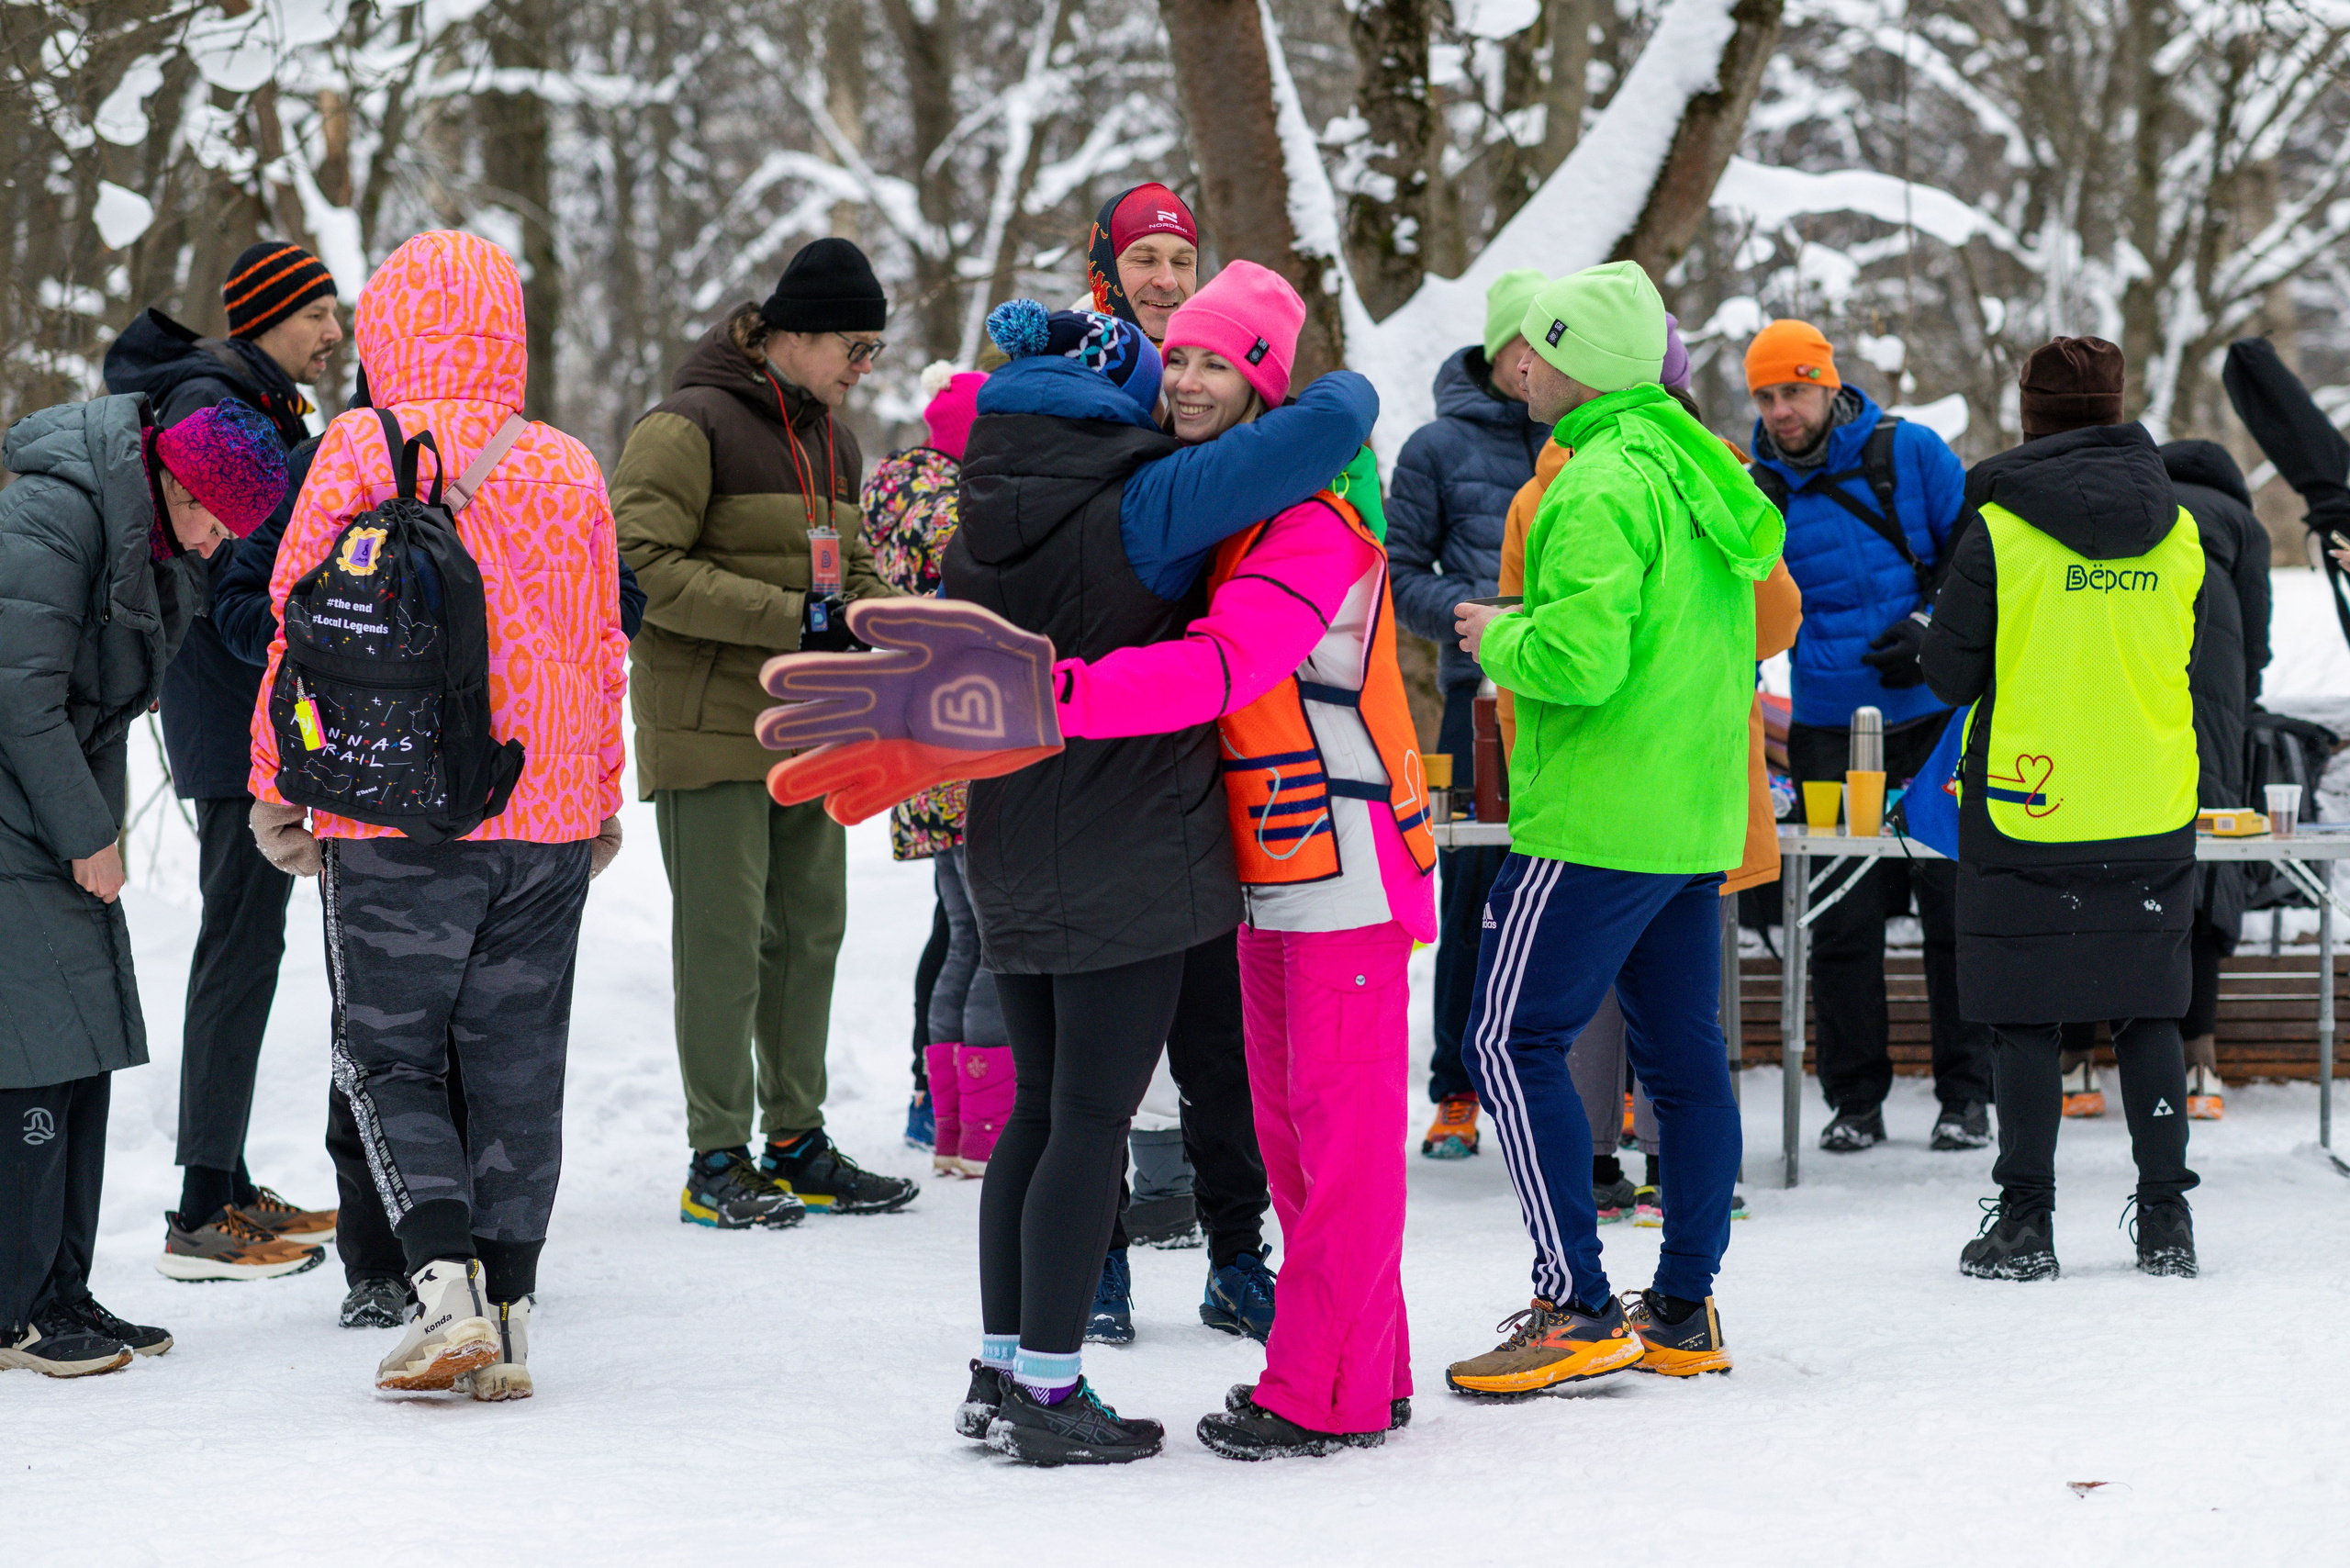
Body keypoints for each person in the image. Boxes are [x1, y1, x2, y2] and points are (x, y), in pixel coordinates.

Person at [940, 286, 1377, 1463]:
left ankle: (998, 1370)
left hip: (1012, 831)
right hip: (1126, 840)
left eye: (1197, 363)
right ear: (1114, 391)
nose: (1173, 385)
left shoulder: (981, 502)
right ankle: (1049, 1390)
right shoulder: (1144, 500)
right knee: (1091, 1119)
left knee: (1037, 1110)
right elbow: (1332, 417)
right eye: (1160, 365)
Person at [1040, 272, 1437, 1459]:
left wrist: (1054, 697)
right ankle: (1372, 1363)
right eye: (1186, 360)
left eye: (1222, 363)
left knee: (1341, 1134)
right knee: (1296, 1132)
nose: (1193, 380)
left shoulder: (1311, 523)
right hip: (1274, 866)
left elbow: (1225, 668)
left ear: (1265, 383)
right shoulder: (1236, 516)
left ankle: (1325, 1390)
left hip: (1348, 865)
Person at [246, 229, 630, 1397]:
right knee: (519, 1059)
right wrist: (602, 795)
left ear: (384, 329)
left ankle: (444, 1288)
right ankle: (508, 1318)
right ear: (508, 327)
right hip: (547, 814)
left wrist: (278, 782)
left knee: (387, 1056)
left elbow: (301, 627)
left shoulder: (362, 442)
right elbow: (605, 646)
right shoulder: (566, 463)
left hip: (394, 813)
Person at [1446, 263, 1782, 1397]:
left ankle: (1574, 1305)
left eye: (1533, 351)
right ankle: (1681, 1308)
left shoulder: (1595, 485)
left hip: (1595, 817)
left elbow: (1580, 663)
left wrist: (1494, 634)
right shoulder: (1698, 470)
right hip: (1692, 816)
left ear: (1571, 362)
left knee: (1506, 1039)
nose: (1517, 367)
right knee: (1687, 1066)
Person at [611, 236, 917, 1227]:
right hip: (706, 723)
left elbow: (850, 568)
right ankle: (716, 1156)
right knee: (724, 941)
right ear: (795, 331)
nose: (863, 368)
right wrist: (790, 617)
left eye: (873, 350)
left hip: (808, 721)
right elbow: (638, 565)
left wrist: (905, 625)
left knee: (810, 932)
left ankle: (796, 1139)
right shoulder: (684, 423)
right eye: (854, 346)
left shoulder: (837, 438)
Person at [2, 393, 290, 1377]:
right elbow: (19, 696)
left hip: (51, 809)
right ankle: (15, 1309)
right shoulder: (55, 516)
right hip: (20, 809)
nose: (218, 545)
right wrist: (90, 834)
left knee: (84, 1047)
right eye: (215, 520)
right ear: (174, 483)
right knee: (36, 1053)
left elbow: (106, 710)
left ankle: (61, 1289)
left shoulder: (147, 539)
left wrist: (94, 830)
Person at [1495, 336, 1799, 1229]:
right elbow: (1777, 620)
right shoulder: (1723, 482)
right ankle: (1683, 1244)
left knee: (1548, 1018)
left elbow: (1542, 645)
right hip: (1699, 784)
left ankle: (1586, 1198)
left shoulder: (1557, 483)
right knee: (1687, 1026)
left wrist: (1503, 666)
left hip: (1595, 787)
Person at [1921, 336, 2204, 1282]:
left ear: (2029, 415)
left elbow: (1949, 671)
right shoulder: (2181, 526)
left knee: (2022, 1015)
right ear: (2119, 408)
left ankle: (2026, 1224)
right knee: (2149, 1008)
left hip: (2027, 800)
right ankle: (2166, 1223)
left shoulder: (1998, 529)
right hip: (2148, 794)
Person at [100, 242, 346, 1272]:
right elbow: (244, 551)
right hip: (230, 709)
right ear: (264, 318)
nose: (334, 333)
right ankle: (202, 1206)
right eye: (316, 316)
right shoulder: (214, 400)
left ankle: (230, 1181)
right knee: (239, 944)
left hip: (241, 706)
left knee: (250, 942)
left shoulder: (254, 397)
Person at [1745, 319, 1994, 1154]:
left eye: (1794, 391)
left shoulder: (1910, 451)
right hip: (1823, 724)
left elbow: (1976, 553)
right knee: (1839, 922)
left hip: (1930, 713)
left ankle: (1968, 1097)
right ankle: (1856, 1100)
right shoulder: (1755, 487)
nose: (1781, 411)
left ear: (1829, 384)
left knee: (1953, 910)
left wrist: (1930, 625)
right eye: (1766, 396)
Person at [1386, 267, 1550, 1159]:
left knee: (1576, 884)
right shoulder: (1435, 447)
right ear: (1497, 349)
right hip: (1475, 702)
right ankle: (1455, 1086)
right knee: (1473, 893)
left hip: (1573, 701)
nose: (1539, 362)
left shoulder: (1579, 436)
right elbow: (1398, 570)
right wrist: (1480, 618)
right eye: (1527, 343)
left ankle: (1592, 1081)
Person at [2057, 440, 2269, 1122]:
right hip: (2209, 722)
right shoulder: (2241, 525)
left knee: (2096, 878)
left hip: (2113, 713)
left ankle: (2076, 1065)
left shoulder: (2127, 508)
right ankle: (2198, 1069)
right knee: (2199, 883)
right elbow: (2258, 644)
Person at [865, 362, 1013, 1178]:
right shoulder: (965, 511)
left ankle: (953, 1126)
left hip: (916, 745)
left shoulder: (895, 501)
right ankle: (985, 1132)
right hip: (971, 741)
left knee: (963, 938)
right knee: (994, 943)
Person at [1086, 183, 1200, 342]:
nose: (1168, 281)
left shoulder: (1231, 361)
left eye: (1181, 262)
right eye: (1144, 260)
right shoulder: (1059, 361)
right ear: (1104, 267)